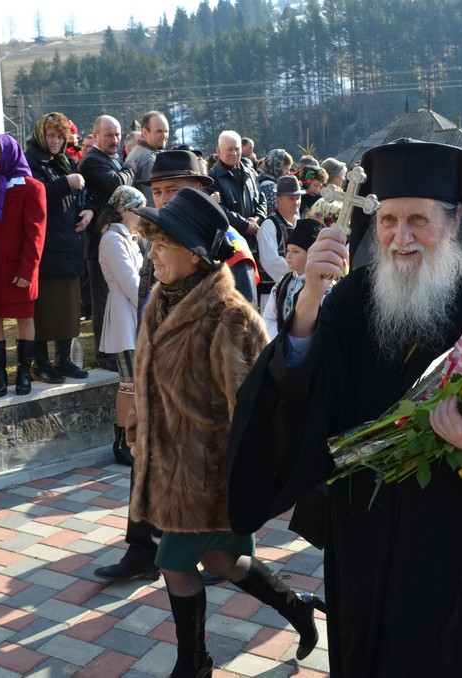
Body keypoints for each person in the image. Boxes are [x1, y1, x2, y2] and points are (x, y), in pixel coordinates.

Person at [228, 140, 462, 677]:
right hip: (363, 532)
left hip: (460, 537)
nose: (400, 237)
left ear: (456, 223)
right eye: (387, 220)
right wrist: (309, 300)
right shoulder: (351, 294)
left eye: (419, 220)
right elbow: (299, 388)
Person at [130, 187, 321, 676]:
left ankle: (194, 663)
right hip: (170, 466)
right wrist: (138, 428)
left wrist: (253, 482)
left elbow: (257, 412)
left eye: (161, 244)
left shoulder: (230, 318)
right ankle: (295, 606)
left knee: (173, 563)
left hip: (209, 478)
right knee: (219, 560)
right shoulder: (161, 299)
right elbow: (149, 378)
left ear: (193, 254)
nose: (151, 254)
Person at [95, 149, 257, 584]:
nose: (164, 200)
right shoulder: (160, 237)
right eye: (159, 191)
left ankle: (221, 556)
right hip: (162, 379)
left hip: (199, 391)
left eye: (174, 190)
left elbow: (238, 324)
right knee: (145, 462)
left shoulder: (227, 246)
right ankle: (142, 549)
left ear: (202, 190)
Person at [0, 134, 46, 398]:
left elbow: (35, 234)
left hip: (19, 269)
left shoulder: (32, 187)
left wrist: (27, 271)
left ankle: (24, 373)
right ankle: (0, 376)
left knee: (25, 318)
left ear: (11, 156)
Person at [24, 113, 93, 384]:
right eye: (51, 136)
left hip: (68, 243)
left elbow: (82, 193)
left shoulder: (65, 160)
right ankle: (40, 363)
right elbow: (34, 197)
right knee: (43, 311)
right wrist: (66, 183)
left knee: (67, 308)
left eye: (60, 137)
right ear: (41, 135)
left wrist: (89, 210)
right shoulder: (30, 161)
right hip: (46, 246)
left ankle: (63, 359)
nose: (55, 141)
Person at [79, 115, 135, 371]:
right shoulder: (92, 161)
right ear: (96, 136)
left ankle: (115, 350)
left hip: (115, 236)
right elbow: (117, 186)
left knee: (116, 298)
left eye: (117, 134)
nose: (114, 140)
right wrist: (130, 170)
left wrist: (125, 171)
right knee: (102, 300)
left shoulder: (113, 161)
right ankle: (104, 354)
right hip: (99, 241)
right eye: (109, 135)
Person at [98, 186, 146, 466]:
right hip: (125, 316)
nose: (140, 214)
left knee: (136, 383)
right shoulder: (112, 240)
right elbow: (132, 284)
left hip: (134, 312)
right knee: (128, 384)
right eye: (136, 208)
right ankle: (122, 441)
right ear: (124, 210)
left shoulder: (127, 237)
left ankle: (134, 437)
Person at [262, 218, 325, 340]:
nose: (289, 255)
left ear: (311, 254)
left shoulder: (324, 286)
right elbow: (269, 317)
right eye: (288, 250)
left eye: (296, 251)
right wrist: (277, 342)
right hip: (280, 348)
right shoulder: (283, 283)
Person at [256, 174, 303, 289]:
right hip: (273, 289)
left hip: (297, 287)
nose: (296, 202)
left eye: (298, 198)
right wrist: (296, 276)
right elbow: (270, 261)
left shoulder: (300, 224)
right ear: (278, 200)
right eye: (291, 198)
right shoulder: (269, 225)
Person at [126, 111, 169, 203]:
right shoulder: (149, 158)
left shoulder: (137, 151)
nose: (164, 136)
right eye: (159, 131)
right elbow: (151, 199)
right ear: (145, 132)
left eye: (166, 131)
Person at [257, 148, 293, 217]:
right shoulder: (269, 186)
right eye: (286, 169)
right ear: (277, 167)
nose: (288, 173)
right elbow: (274, 212)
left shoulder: (262, 178)